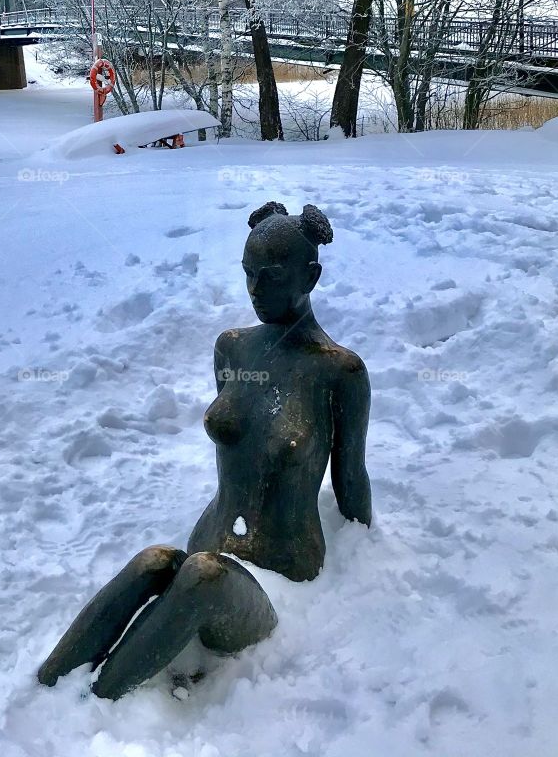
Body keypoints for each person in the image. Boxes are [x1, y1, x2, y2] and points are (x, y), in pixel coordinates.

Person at [36, 201, 372, 700]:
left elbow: (350, 479)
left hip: (282, 574)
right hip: (210, 540)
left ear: (310, 276)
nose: (256, 290)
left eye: (272, 277)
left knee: (203, 578)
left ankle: (93, 706)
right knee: (155, 561)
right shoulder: (233, 348)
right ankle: (48, 687)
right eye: (248, 275)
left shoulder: (338, 373)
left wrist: (367, 550)